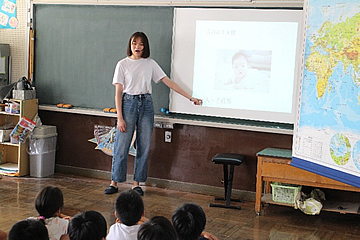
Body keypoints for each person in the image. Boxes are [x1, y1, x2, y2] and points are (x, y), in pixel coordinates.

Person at [105, 31, 202, 195]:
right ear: (130, 45)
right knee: (121, 145)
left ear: (145, 47)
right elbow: (118, 93)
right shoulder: (122, 64)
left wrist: (189, 97)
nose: (137, 47)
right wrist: (119, 118)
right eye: (134, 43)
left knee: (144, 145)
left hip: (146, 104)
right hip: (128, 103)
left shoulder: (150, 63)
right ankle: (114, 182)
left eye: (141, 44)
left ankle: (136, 183)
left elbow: (168, 82)